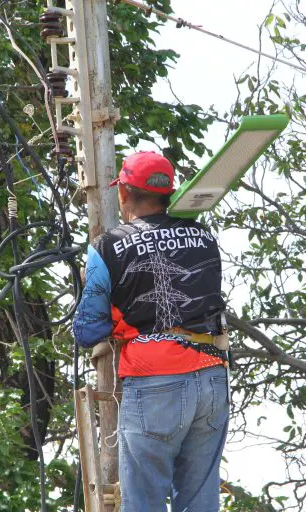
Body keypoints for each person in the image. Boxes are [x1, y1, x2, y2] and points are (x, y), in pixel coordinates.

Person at [72, 151, 230, 512]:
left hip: (154, 380)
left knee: (143, 504)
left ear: (123, 194)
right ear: (169, 195)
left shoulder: (106, 247)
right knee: (201, 503)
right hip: (211, 376)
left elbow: (86, 331)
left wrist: (109, 303)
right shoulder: (203, 236)